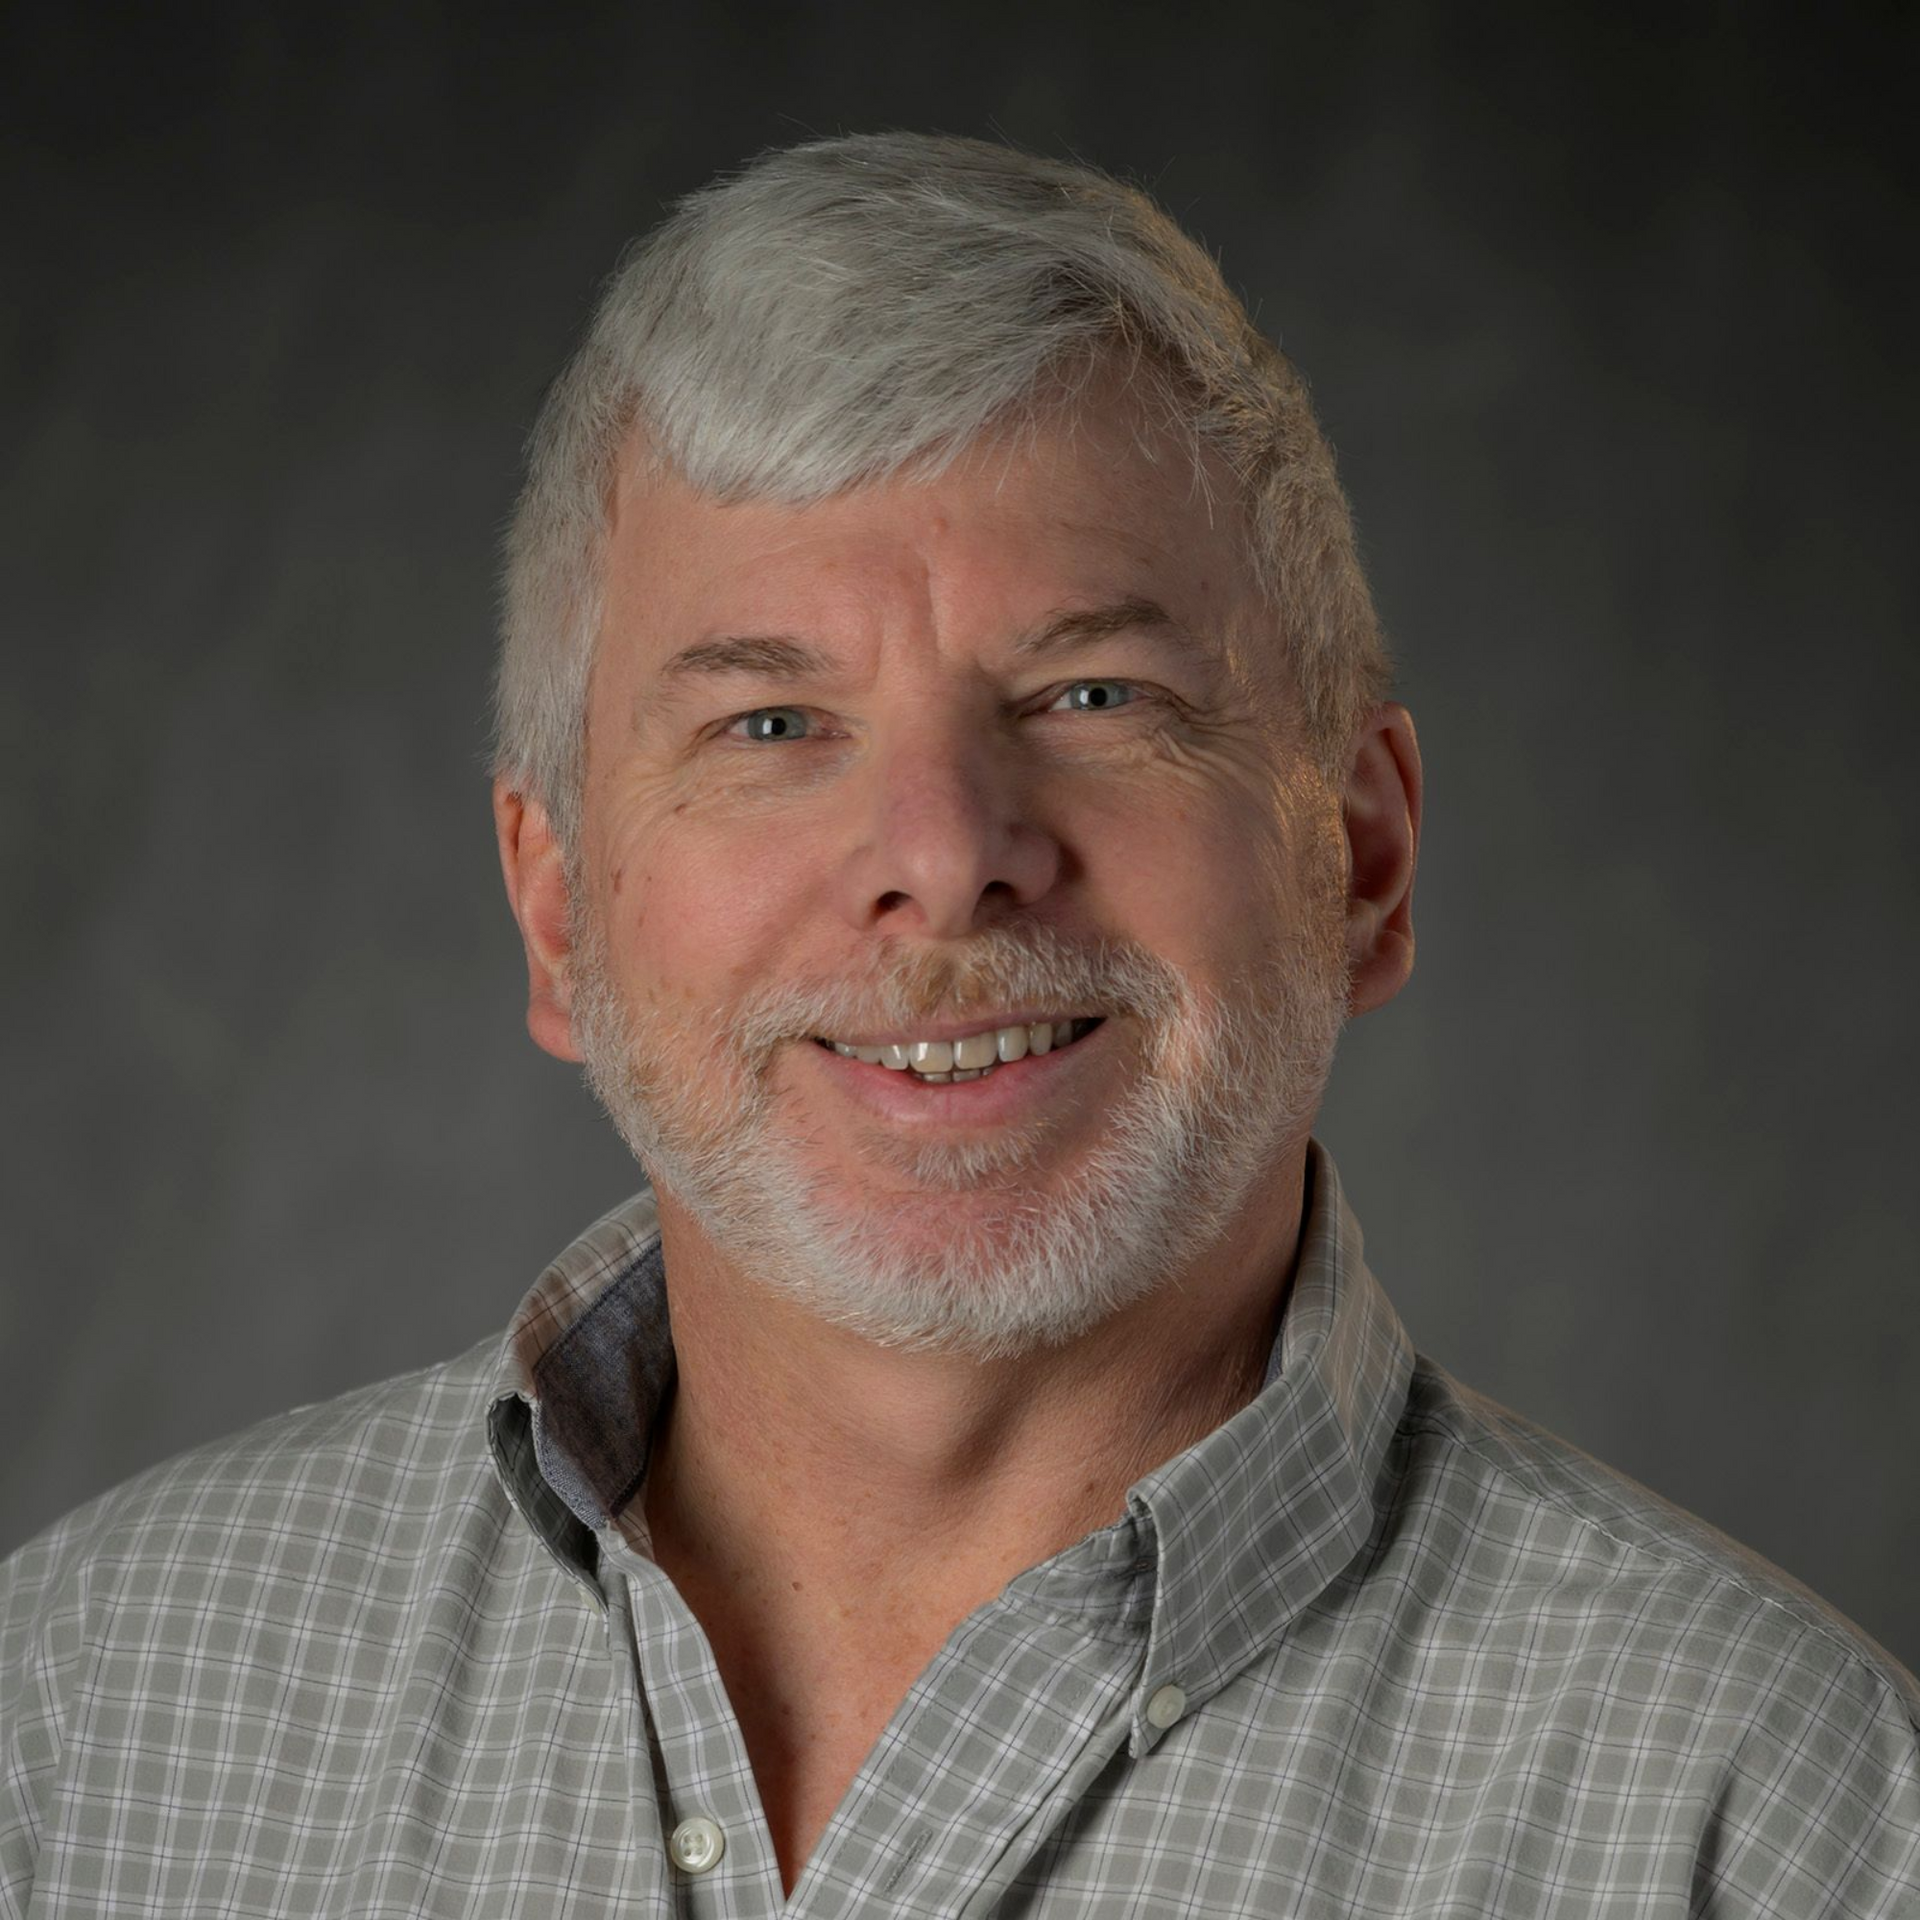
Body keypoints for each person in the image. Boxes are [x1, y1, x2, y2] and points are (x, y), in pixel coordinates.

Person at [3, 131, 1915, 1918]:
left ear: (1364, 860)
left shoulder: (1765, 1822)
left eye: (1091, 696)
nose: (943, 857)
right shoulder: (85, 1718)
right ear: (559, 908)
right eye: (769, 725)